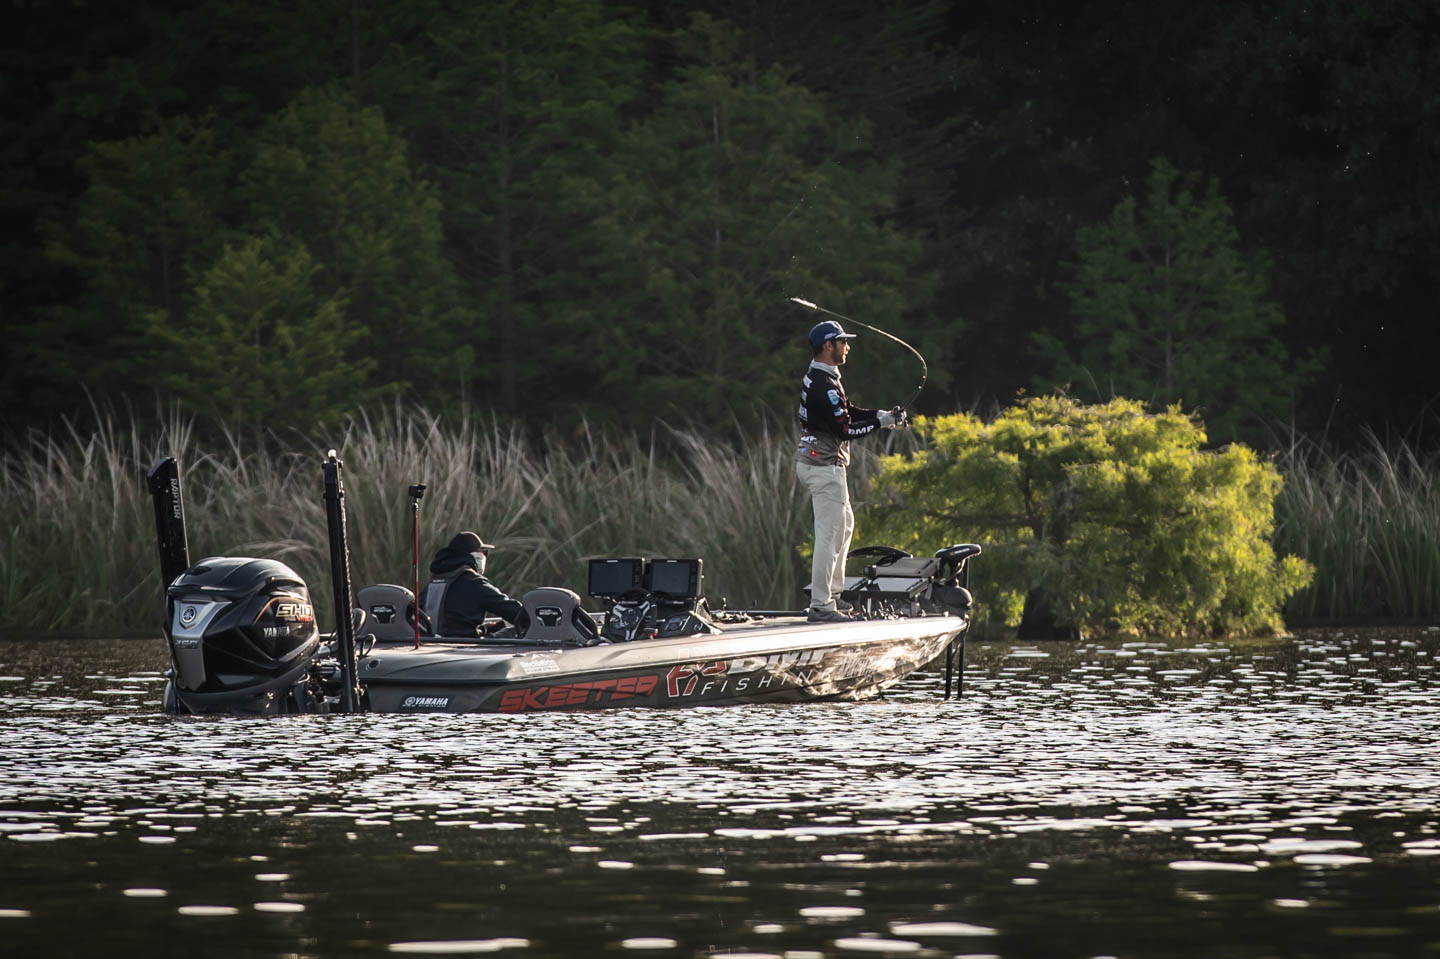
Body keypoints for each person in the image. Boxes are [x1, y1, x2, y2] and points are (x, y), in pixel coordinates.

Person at [796, 319, 906, 623]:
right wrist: (880, 424)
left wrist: (880, 415)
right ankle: (821, 605)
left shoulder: (824, 377)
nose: (848, 346)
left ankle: (832, 595)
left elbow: (847, 411)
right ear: (828, 346)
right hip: (824, 468)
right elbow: (845, 429)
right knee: (829, 535)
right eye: (843, 341)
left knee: (844, 526)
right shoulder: (823, 385)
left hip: (819, 465)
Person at [419, 531, 530, 636]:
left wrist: (483, 629)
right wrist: (534, 617)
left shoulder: (431, 585)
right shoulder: (474, 582)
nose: (485, 557)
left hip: (433, 644)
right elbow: (513, 611)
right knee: (514, 631)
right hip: (466, 647)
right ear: (476, 556)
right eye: (484, 552)